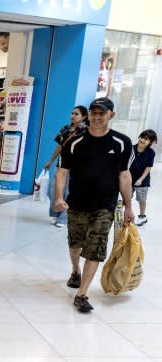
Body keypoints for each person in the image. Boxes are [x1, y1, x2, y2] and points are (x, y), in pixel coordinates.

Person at [53, 97, 134, 313]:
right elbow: (61, 172)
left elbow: (124, 176)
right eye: (94, 113)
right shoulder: (74, 142)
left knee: (96, 248)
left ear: (111, 115)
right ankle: (75, 270)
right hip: (77, 203)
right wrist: (59, 196)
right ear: (89, 114)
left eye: (102, 113)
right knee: (75, 243)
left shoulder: (122, 143)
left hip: (105, 205)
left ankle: (82, 294)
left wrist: (128, 206)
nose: (97, 117)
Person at [43, 105, 89, 227]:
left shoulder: (87, 131)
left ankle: (63, 218)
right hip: (62, 163)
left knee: (69, 192)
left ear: (84, 116)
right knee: (54, 189)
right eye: (72, 113)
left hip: (77, 166)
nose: (72, 116)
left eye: (76, 114)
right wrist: (51, 160)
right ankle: (54, 212)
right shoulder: (66, 129)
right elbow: (60, 146)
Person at [131, 129, 157, 226]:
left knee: (141, 199)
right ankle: (124, 214)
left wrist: (141, 179)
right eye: (142, 137)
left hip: (143, 181)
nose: (142, 140)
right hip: (129, 178)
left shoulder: (151, 153)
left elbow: (148, 167)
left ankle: (142, 217)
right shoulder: (131, 148)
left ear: (150, 142)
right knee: (125, 198)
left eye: (146, 139)